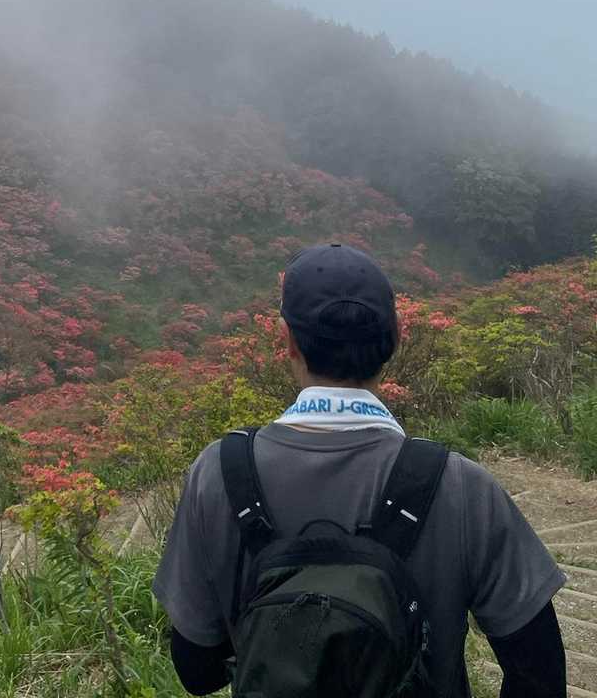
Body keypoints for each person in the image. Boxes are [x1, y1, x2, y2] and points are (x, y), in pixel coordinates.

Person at [154, 243, 567, 698]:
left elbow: (197, 672)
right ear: (396, 337)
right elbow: (539, 674)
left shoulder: (217, 474)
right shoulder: (463, 487)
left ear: (287, 340)